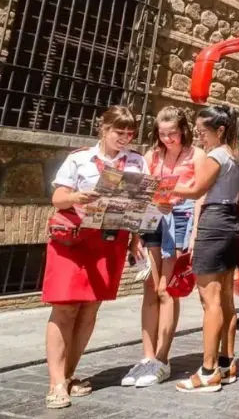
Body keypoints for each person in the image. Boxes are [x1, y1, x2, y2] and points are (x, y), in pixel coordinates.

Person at [43, 106, 147, 409]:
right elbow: (57, 198)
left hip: (109, 242)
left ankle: (69, 375)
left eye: (130, 133)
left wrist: (136, 239)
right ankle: (55, 383)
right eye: (119, 132)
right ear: (104, 129)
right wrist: (77, 197)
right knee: (65, 309)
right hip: (74, 242)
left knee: (89, 310)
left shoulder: (137, 162)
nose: (125, 138)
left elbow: (138, 206)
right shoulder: (79, 159)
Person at [121, 107, 206, 388]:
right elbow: (140, 192)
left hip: (180, 220)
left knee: (166, 289)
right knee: (149, 287)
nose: (168, 138)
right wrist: (135, 233)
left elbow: (199, 196)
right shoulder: (151, 156)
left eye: (173, 133)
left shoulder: (196, 155)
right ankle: (147, 356)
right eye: (162, 133)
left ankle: (162, 358)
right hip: (152, 217)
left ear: (183, 130)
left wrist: (194, 234)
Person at [171, 105, 239, 393]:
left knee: (209, 300)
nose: (200, 137)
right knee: (227, 297)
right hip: (231, 225)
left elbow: (196, 190)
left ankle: (207, 371)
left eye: (203, 132)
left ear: (220, 130)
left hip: (214, 222)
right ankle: (227, 364)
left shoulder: (216, 155)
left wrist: (165, 187)